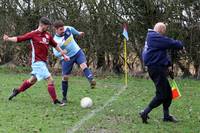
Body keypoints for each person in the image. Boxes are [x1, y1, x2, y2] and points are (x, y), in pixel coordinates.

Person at [3, 17, 70, 106]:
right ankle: (55, 101)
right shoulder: (33, 34)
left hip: (43, 62)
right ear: (41, 25)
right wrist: (8, 39)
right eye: (47, 26)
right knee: (50, 80)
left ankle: (17, 91)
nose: (48, 28)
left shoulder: (47, 35)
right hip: (37, 62)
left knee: (32, 80)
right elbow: (20, 38)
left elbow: (55, 45)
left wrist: (63, 54)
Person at [140, 22, 183, 123]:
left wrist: (168, 66)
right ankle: (145, 112)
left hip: (158, 69)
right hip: (156, 69)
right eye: (164, 32)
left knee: (168, 94)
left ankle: (166, 116)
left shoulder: (153, 38)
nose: (164, 34)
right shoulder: (154, 37)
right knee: (162, 94)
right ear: (161, 30)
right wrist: (181, 44)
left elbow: (161, 54)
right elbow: (171, 43)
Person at [52, 20, 96, 103]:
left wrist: (78, 33)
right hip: (67, 58)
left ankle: (91, 80)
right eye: (60, 30)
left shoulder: (67, 29)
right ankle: (64, 97)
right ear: (56, 30)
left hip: (77, 52)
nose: (63, 31)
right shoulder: (55, 40)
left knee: (83, 65)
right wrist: (62, 53)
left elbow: (72, 29)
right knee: (65, 77)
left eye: (63, 29)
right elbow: (55, 54)